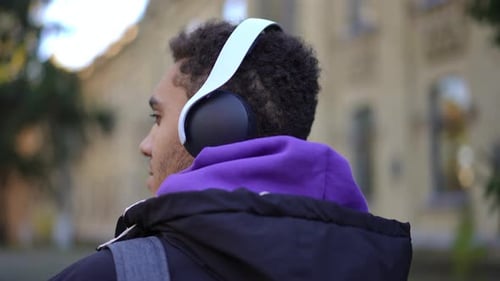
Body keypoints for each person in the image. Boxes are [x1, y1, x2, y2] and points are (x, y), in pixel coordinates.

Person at [49, 18, 412, 281]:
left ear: (214, 125)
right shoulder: (376, 264)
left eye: (157, 117)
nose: (145, 145)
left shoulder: (114, 274)